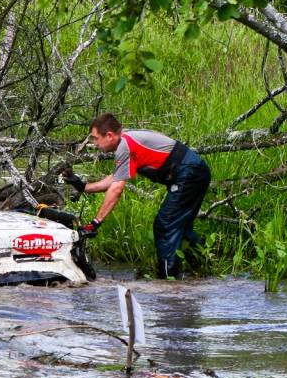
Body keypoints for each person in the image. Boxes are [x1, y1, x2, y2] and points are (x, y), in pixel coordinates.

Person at [66, 113, 211, 279]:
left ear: (109, 136)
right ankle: (202, 268)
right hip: (193, 171)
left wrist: (95, 222)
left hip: (190, 173)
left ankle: (168, 281)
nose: (95, 143)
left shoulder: (124, 146)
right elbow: (114, 179)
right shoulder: (125, 142)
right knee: (180, 226)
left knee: (165, 225)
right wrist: (82, 186)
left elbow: (116, 189)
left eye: (95, 138)